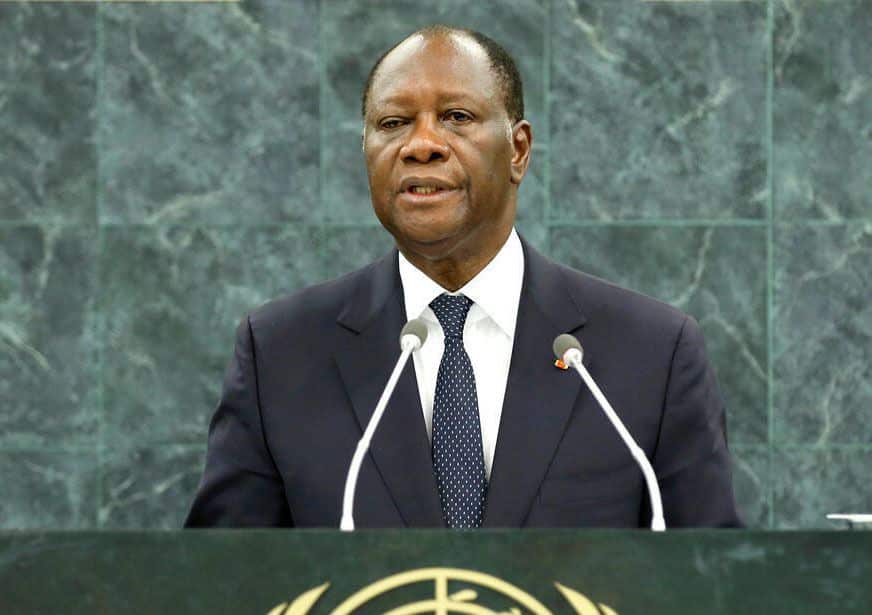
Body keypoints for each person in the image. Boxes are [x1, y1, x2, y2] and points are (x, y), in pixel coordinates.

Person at [185, 25, 742, 529]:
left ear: (518, 150)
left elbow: (715, 577)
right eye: (393, 123)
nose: (421, 145)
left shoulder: (651, 352)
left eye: (456, 117)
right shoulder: (281, 352)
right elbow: (221, 579)